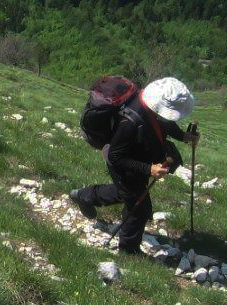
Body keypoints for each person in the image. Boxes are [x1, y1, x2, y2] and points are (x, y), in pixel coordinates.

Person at [70, 77, 199, 253]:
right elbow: (115, 157)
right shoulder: (129, 123)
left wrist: (183, 136)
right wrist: (149, 169)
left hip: (138, 154)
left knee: (127, 193)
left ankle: (84, 196)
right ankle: (128, 250)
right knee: (139, 207)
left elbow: (165, 124)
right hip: (124, 163)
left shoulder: (150, 106)